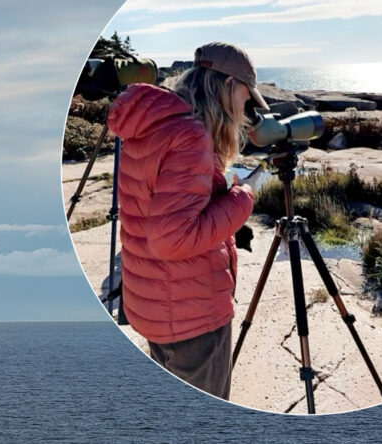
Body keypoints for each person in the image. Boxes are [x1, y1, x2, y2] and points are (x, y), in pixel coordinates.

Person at [106, 42, 265, 400]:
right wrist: (244, 196)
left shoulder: (154, 125)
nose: (246, 107)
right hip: (191, 317)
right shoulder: (190, 137)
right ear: (227, 88)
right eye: (246, 96)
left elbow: (157, 211)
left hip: (155, 303)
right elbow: (173, 239)